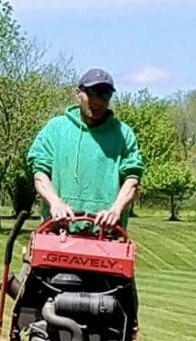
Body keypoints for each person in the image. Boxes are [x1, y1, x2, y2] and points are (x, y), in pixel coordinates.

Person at [27, 68, 144, 229]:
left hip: (107, 234)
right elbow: (39, 173)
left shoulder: (123, 134)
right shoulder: (55, 129)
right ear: (78, 94)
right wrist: (55, 203)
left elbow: (132, 179)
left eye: (105, 94)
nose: (97, 101)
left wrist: (115, 209)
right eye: (92, 93)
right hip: (58, 230)